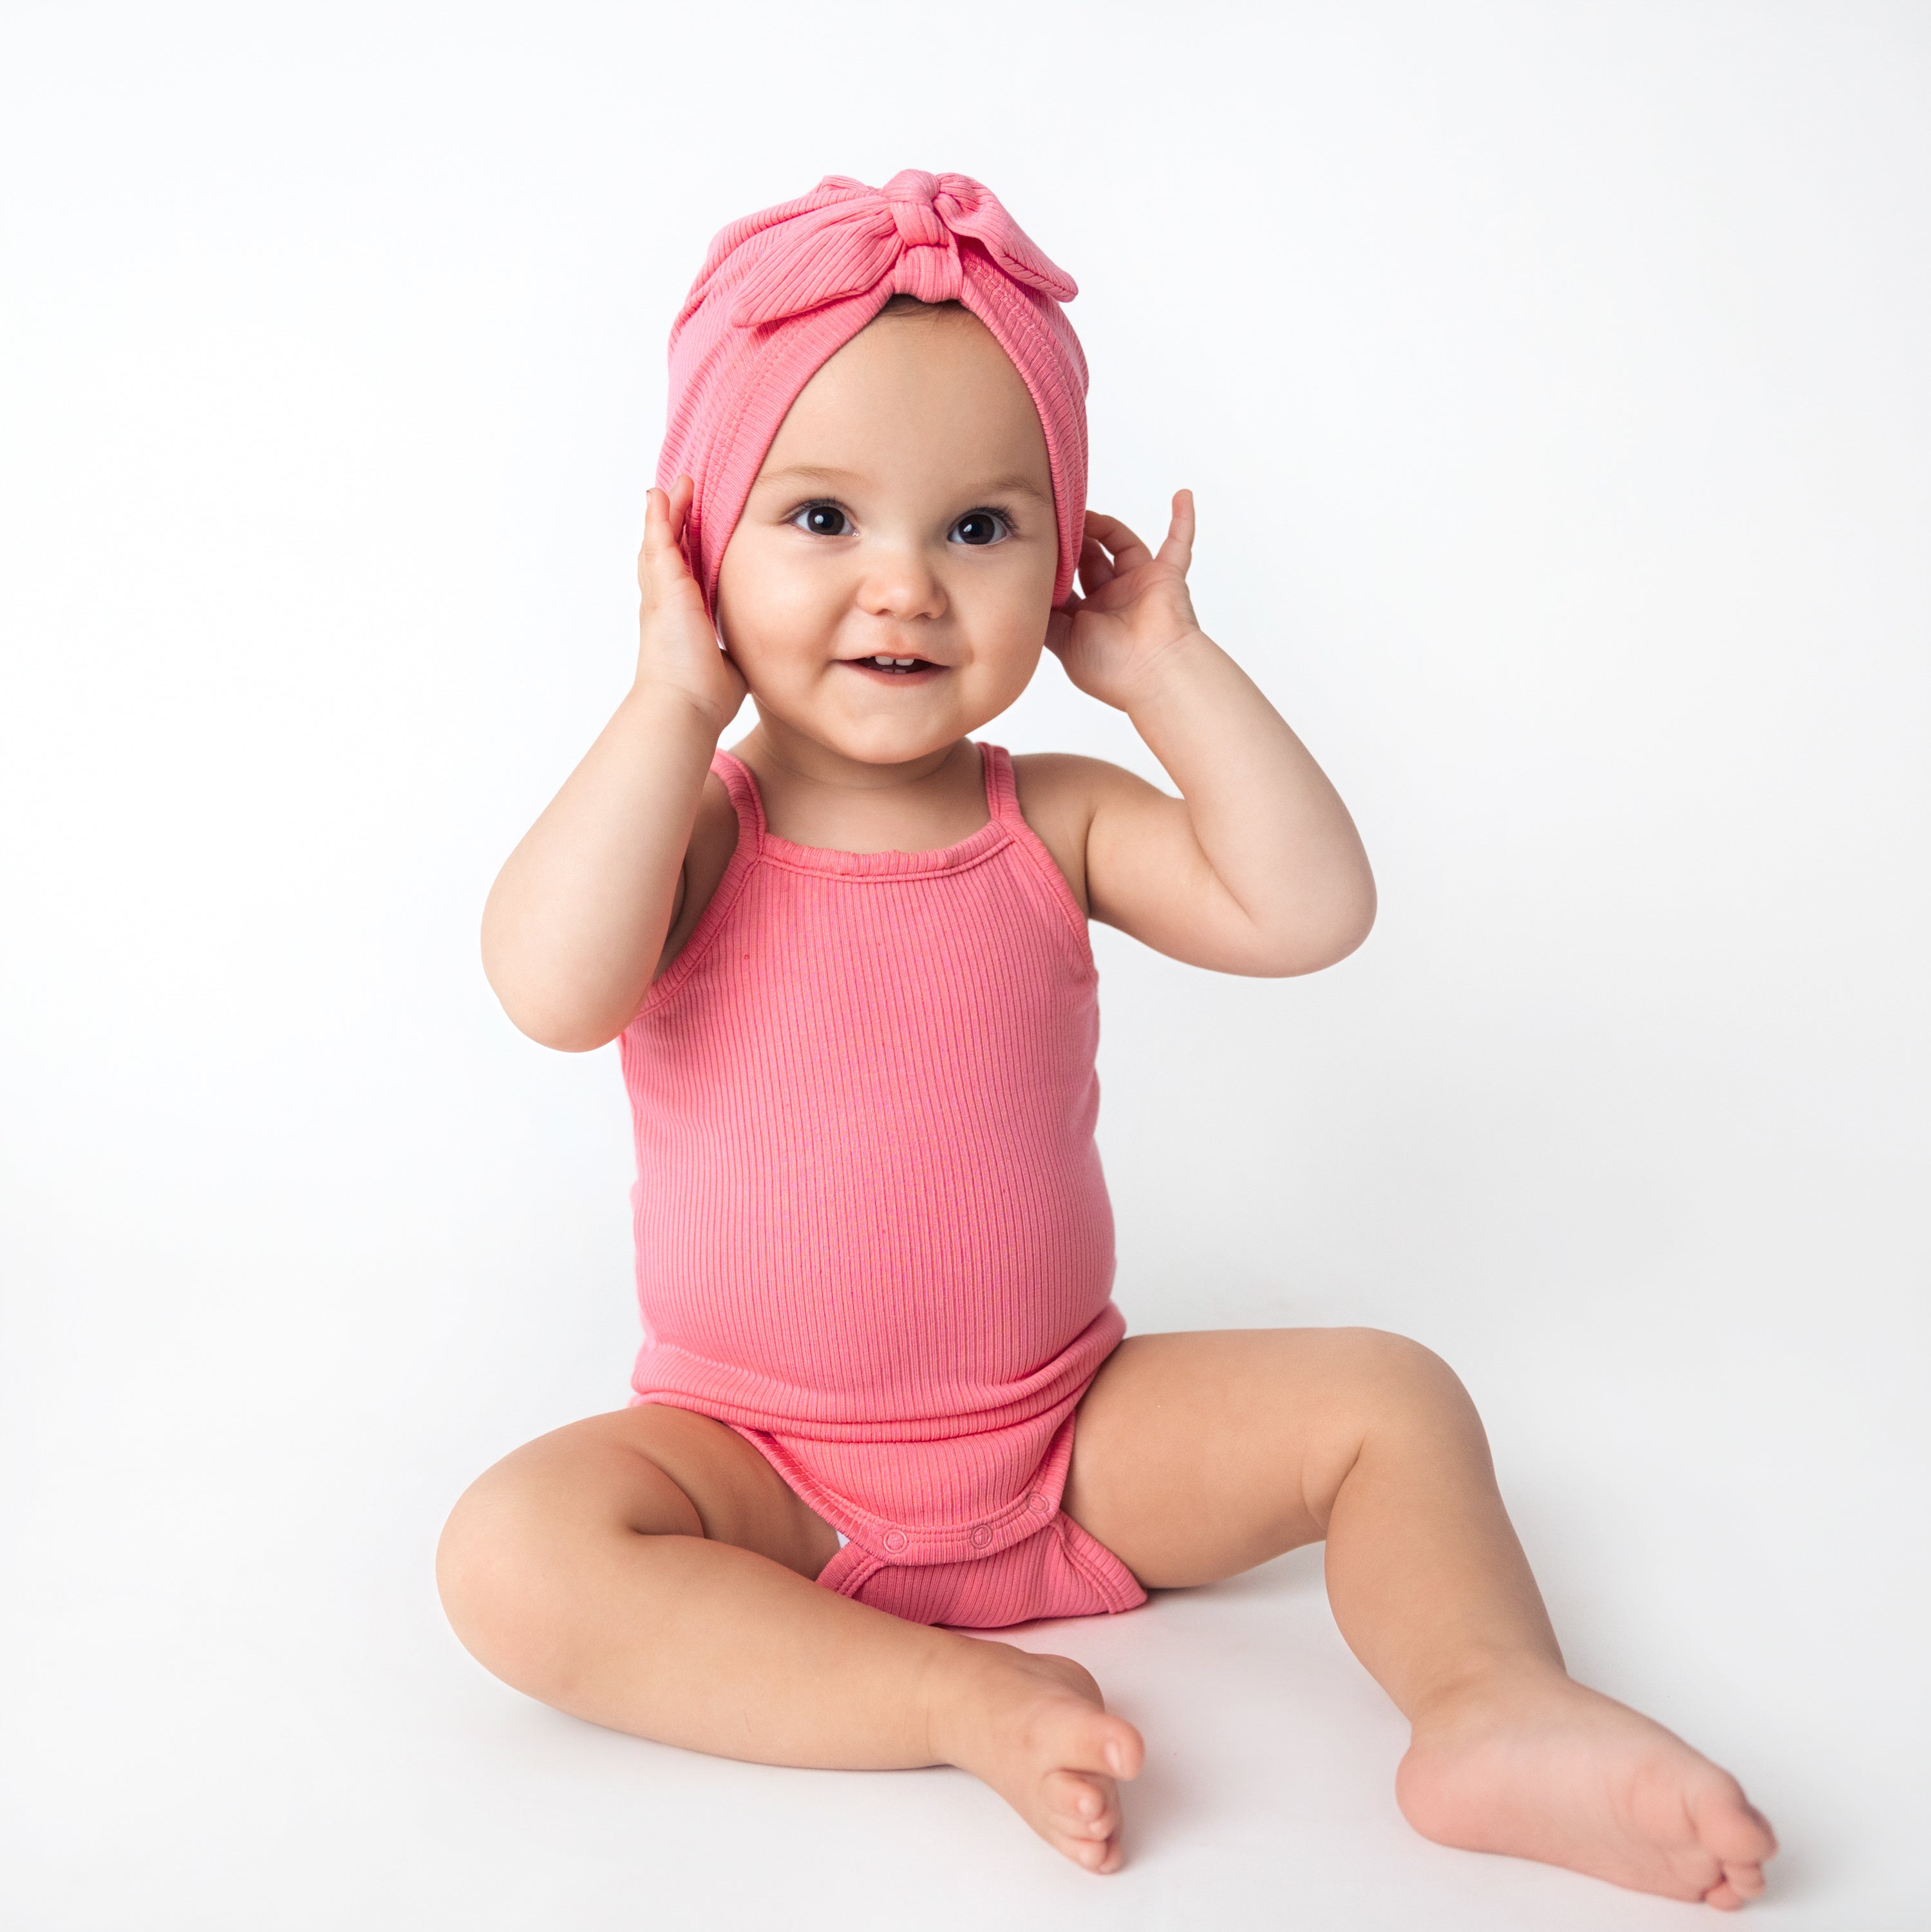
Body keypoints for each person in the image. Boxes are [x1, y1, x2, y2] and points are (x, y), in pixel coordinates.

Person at [435, 171, 1776, 1908]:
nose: (904, 587)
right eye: (821, 518)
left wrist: (1166, 674)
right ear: (694, 539)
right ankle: (944, 1697)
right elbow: (548, 988)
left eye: (978, 527)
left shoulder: (1050, 818)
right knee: (511, 1558)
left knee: (1389, 1399)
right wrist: (665, 704)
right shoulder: (693, 828)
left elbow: (1306, 912)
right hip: (759, 1470)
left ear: (1060, 549)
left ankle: (1489, 1705)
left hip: (1066, 1434)